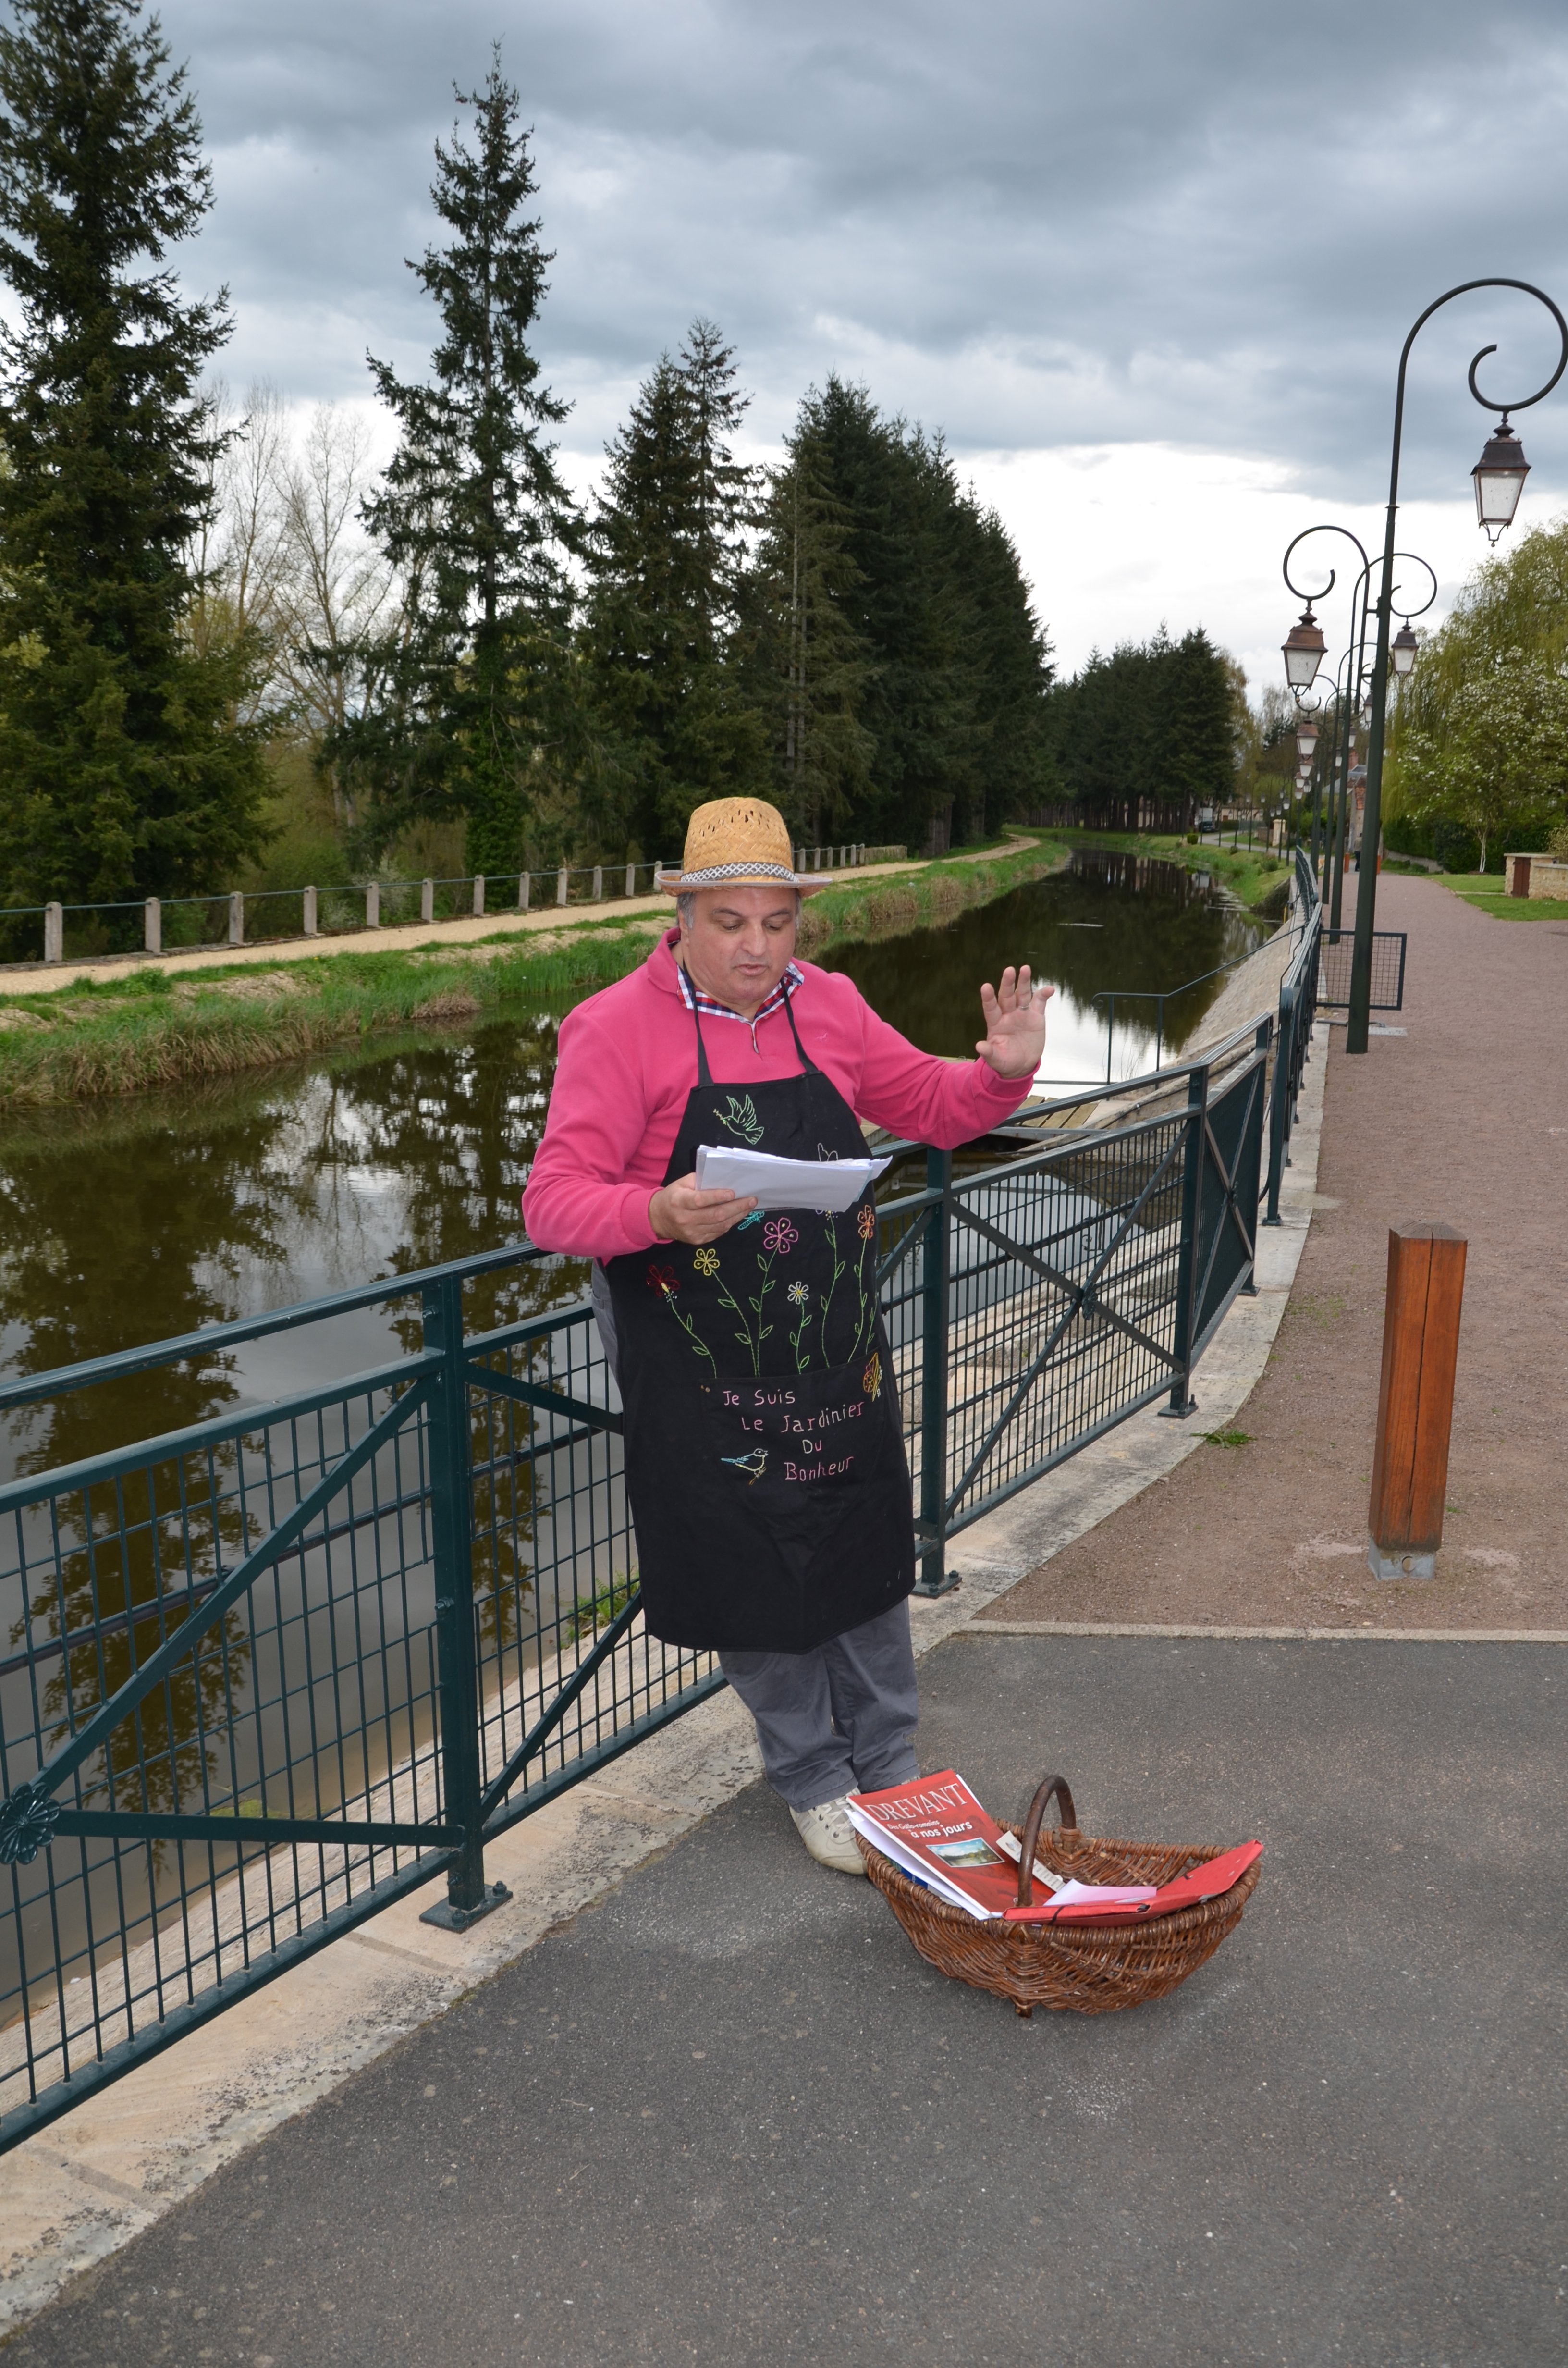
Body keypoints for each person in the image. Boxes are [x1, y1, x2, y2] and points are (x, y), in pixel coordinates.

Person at [521, 798, 1051, 1874]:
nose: (758, 947)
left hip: (834, 1346)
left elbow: (936, 1108)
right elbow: (552, 1203)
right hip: (697, 1357)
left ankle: (890, 1762)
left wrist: (1000, 1071)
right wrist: (656, 1213)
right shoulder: (613, 1027)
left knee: (860, 1540)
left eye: (777, 921)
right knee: (747, 1558)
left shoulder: (836, 1005)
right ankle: (812, 1775)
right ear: (683, 914)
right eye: (731, 922)